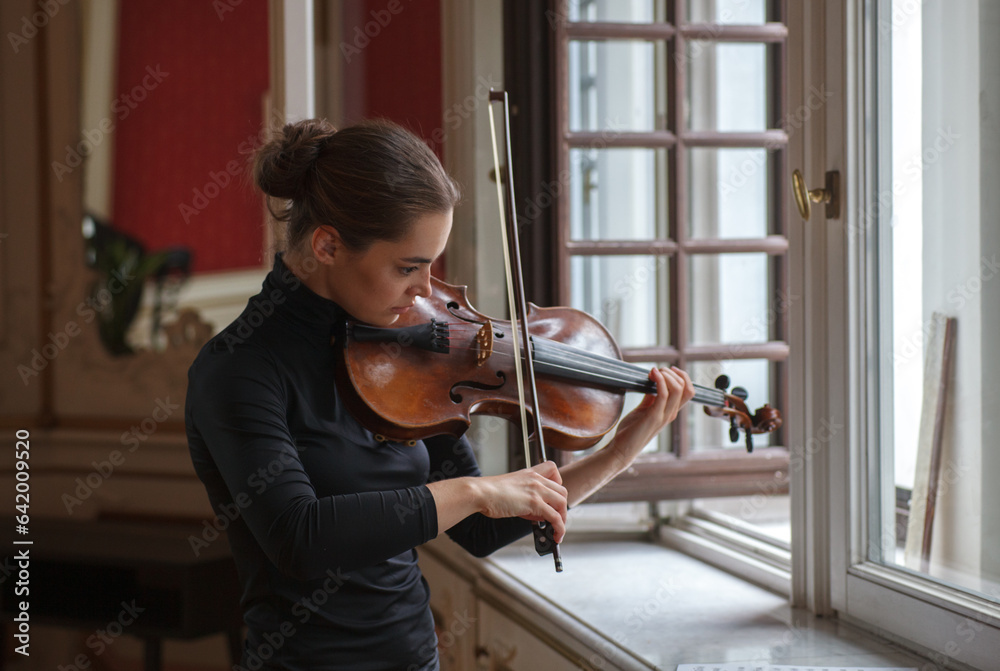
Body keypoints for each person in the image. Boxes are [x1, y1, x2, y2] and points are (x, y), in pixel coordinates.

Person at [185, 117, 695, 671]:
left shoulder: (411, 355)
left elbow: (480, 530)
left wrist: (621, 449)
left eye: (432, 265)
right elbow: (299, 540)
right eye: (408, 266)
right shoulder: (239, 370)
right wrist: (476, 491)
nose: (426, 290)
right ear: (327, 245)